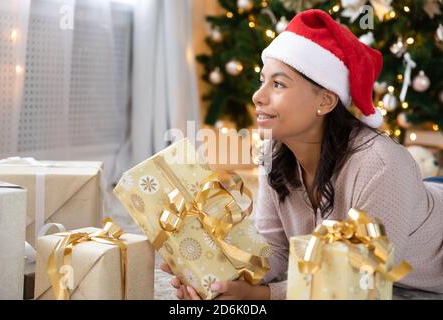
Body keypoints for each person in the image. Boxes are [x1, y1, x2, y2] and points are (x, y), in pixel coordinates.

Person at [161, 9, 443, 299]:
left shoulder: (381, 165)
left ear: (325, 100)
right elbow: (276, 248)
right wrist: (213, 269)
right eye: (262, 80)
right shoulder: (275, 151)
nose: (258, 96)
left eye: (278, 84)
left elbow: (362, 273)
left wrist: (264, 296)